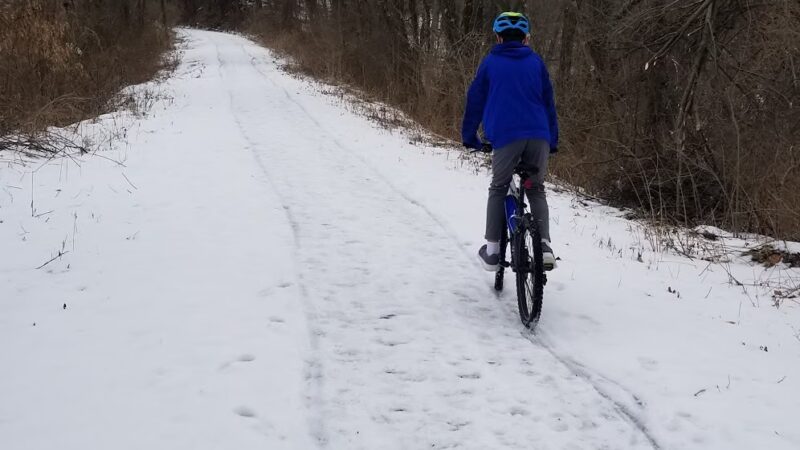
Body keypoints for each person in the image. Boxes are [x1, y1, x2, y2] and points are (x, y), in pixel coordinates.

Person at [461, 11, 559, 272]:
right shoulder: (537, 63)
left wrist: (470, 137)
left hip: (505, 137)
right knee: (536, 188)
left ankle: (493, 251)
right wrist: (553, 140)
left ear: (498, 37)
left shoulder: (491, 62)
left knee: (499, 186)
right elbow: (549, 104)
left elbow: (475, 101)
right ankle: (545, 246)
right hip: (539, 136)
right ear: (526, 39)